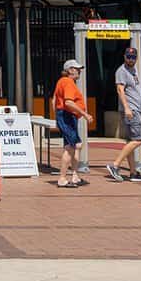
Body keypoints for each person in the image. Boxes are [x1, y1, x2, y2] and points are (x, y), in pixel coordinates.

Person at [107, 46, 141, 182]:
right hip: (131, 110)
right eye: (129, 57)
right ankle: (115, 165)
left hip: (136, 109)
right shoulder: (122, 71)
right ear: (124, 57)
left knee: (131, 141)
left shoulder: (134, 70)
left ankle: (133, 172)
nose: (131, 59)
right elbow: (120, 90)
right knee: (138, 140)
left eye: (133, 57)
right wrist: (127, 108)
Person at [53, 59, 93, 188]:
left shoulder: (62, 82)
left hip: (66, 116)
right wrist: (85, 114)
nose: (79, 71)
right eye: (77, 69)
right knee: (70, 147)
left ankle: (75, 175)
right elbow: (69, 102)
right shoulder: (68, 82)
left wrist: (57, 115)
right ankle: (62, 178)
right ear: (70, 70)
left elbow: (54, 100)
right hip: (67, 116)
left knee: (78, 145)